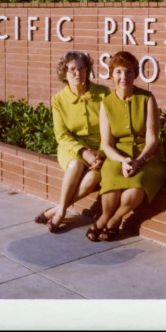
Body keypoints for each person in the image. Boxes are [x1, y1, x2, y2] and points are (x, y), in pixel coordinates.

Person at [86, 51, 166, 242]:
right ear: (112, 75)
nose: (124, 77)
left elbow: (153, 140)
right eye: (119, 72)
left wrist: (139, 161)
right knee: (112, 182)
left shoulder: (147, 98)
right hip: (118, 155)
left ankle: (113, 220)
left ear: (135, 74)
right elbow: (106, 143)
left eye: (129, 72)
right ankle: (104, 217)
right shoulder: (106, 103)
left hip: (148, 156)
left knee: (135, 187)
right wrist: (123, 160)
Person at [35, 51, 110, 233]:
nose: (78, 73)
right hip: (71, 147)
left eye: (82, 68)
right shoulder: (59, 100)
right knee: (76, 164)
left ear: (87, 70)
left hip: (101, 148)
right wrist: (83, 152)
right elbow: (61, 135)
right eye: (73, 70)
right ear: (64, 74)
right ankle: (61, 213)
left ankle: (56, 209)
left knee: (94, 176)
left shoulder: (103, 93)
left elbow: (111, 128)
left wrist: (100, 153)